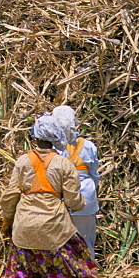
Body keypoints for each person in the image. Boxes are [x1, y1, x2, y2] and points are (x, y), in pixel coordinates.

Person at [0, 113, 98, 278]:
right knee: (68, 271)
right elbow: (74, 201)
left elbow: (9, 197)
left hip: (24, 227)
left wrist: (9, 220)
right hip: (55, 229)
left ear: (35, 137)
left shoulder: (23, 161)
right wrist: (80, 203)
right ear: (56, 137)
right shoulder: (63, 164)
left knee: (20, 272)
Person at [52, 105, 101, 259]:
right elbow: (95, 175)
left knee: (62, 241)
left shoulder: (53, 147)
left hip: (62, 198)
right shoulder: (89, 146)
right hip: (86, 197)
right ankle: (89, 275)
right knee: (86, 239)